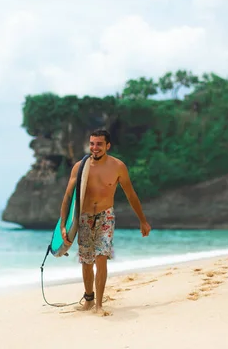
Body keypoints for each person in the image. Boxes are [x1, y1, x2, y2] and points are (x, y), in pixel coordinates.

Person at [60, 128, 152, 315]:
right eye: (92, 143)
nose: (95, 147)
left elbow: (131, 194)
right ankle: (89, 300)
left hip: (105, 216)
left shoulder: (118, 167)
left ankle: (100, 305)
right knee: (86, 261)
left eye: (99, 144)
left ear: (107, 145)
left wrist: (143, 220)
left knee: (101, 257)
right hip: (84, 217)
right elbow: (68, 196)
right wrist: (63, 225)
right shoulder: (79, 168)